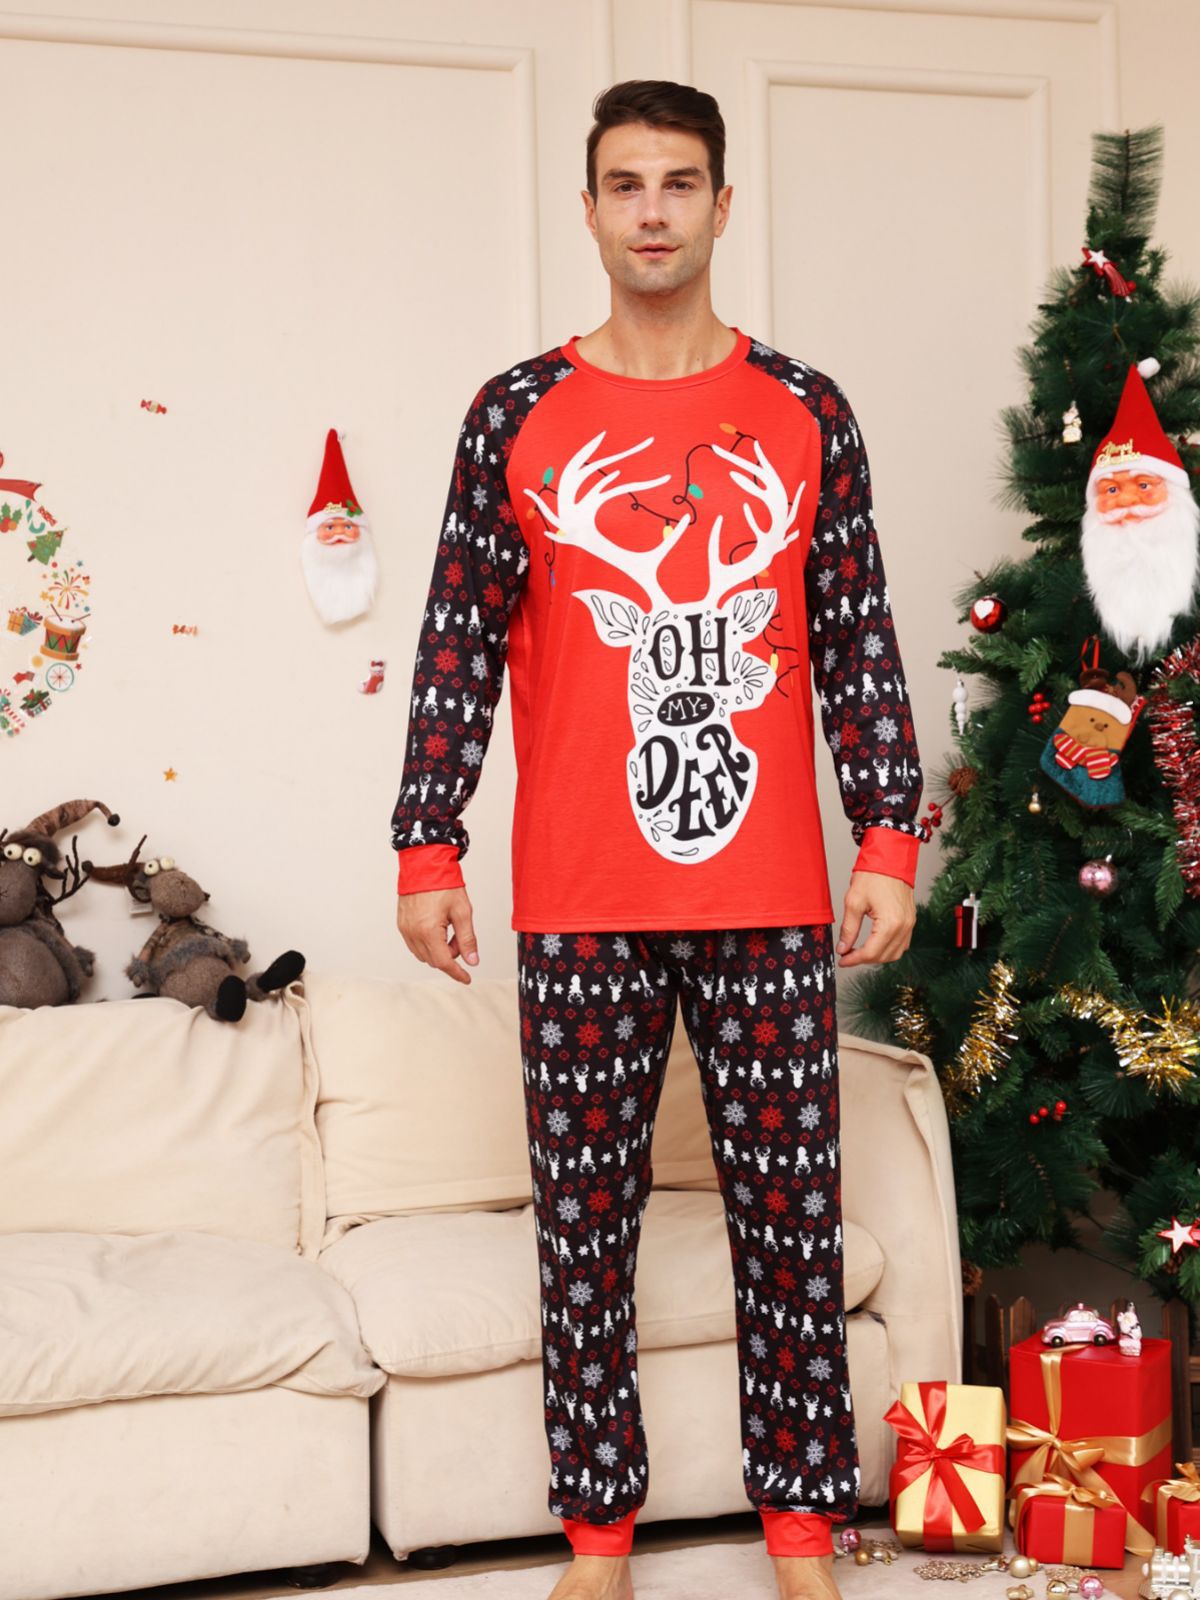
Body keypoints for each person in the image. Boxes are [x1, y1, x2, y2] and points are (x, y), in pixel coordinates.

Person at [393, 78, 924, 1600]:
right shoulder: (515, 413)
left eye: (679, 183)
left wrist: (887, 837)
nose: (652, 212)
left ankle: (803, 1532)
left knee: (792, 1226)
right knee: (583, 1231)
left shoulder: (806, 410)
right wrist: (428, 847)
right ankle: (599, 1537)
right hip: (578, 899)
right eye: (625, 184)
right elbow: (457, 641)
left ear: (721, 205)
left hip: (768, 897)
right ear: (589, 210)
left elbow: (856, 636)